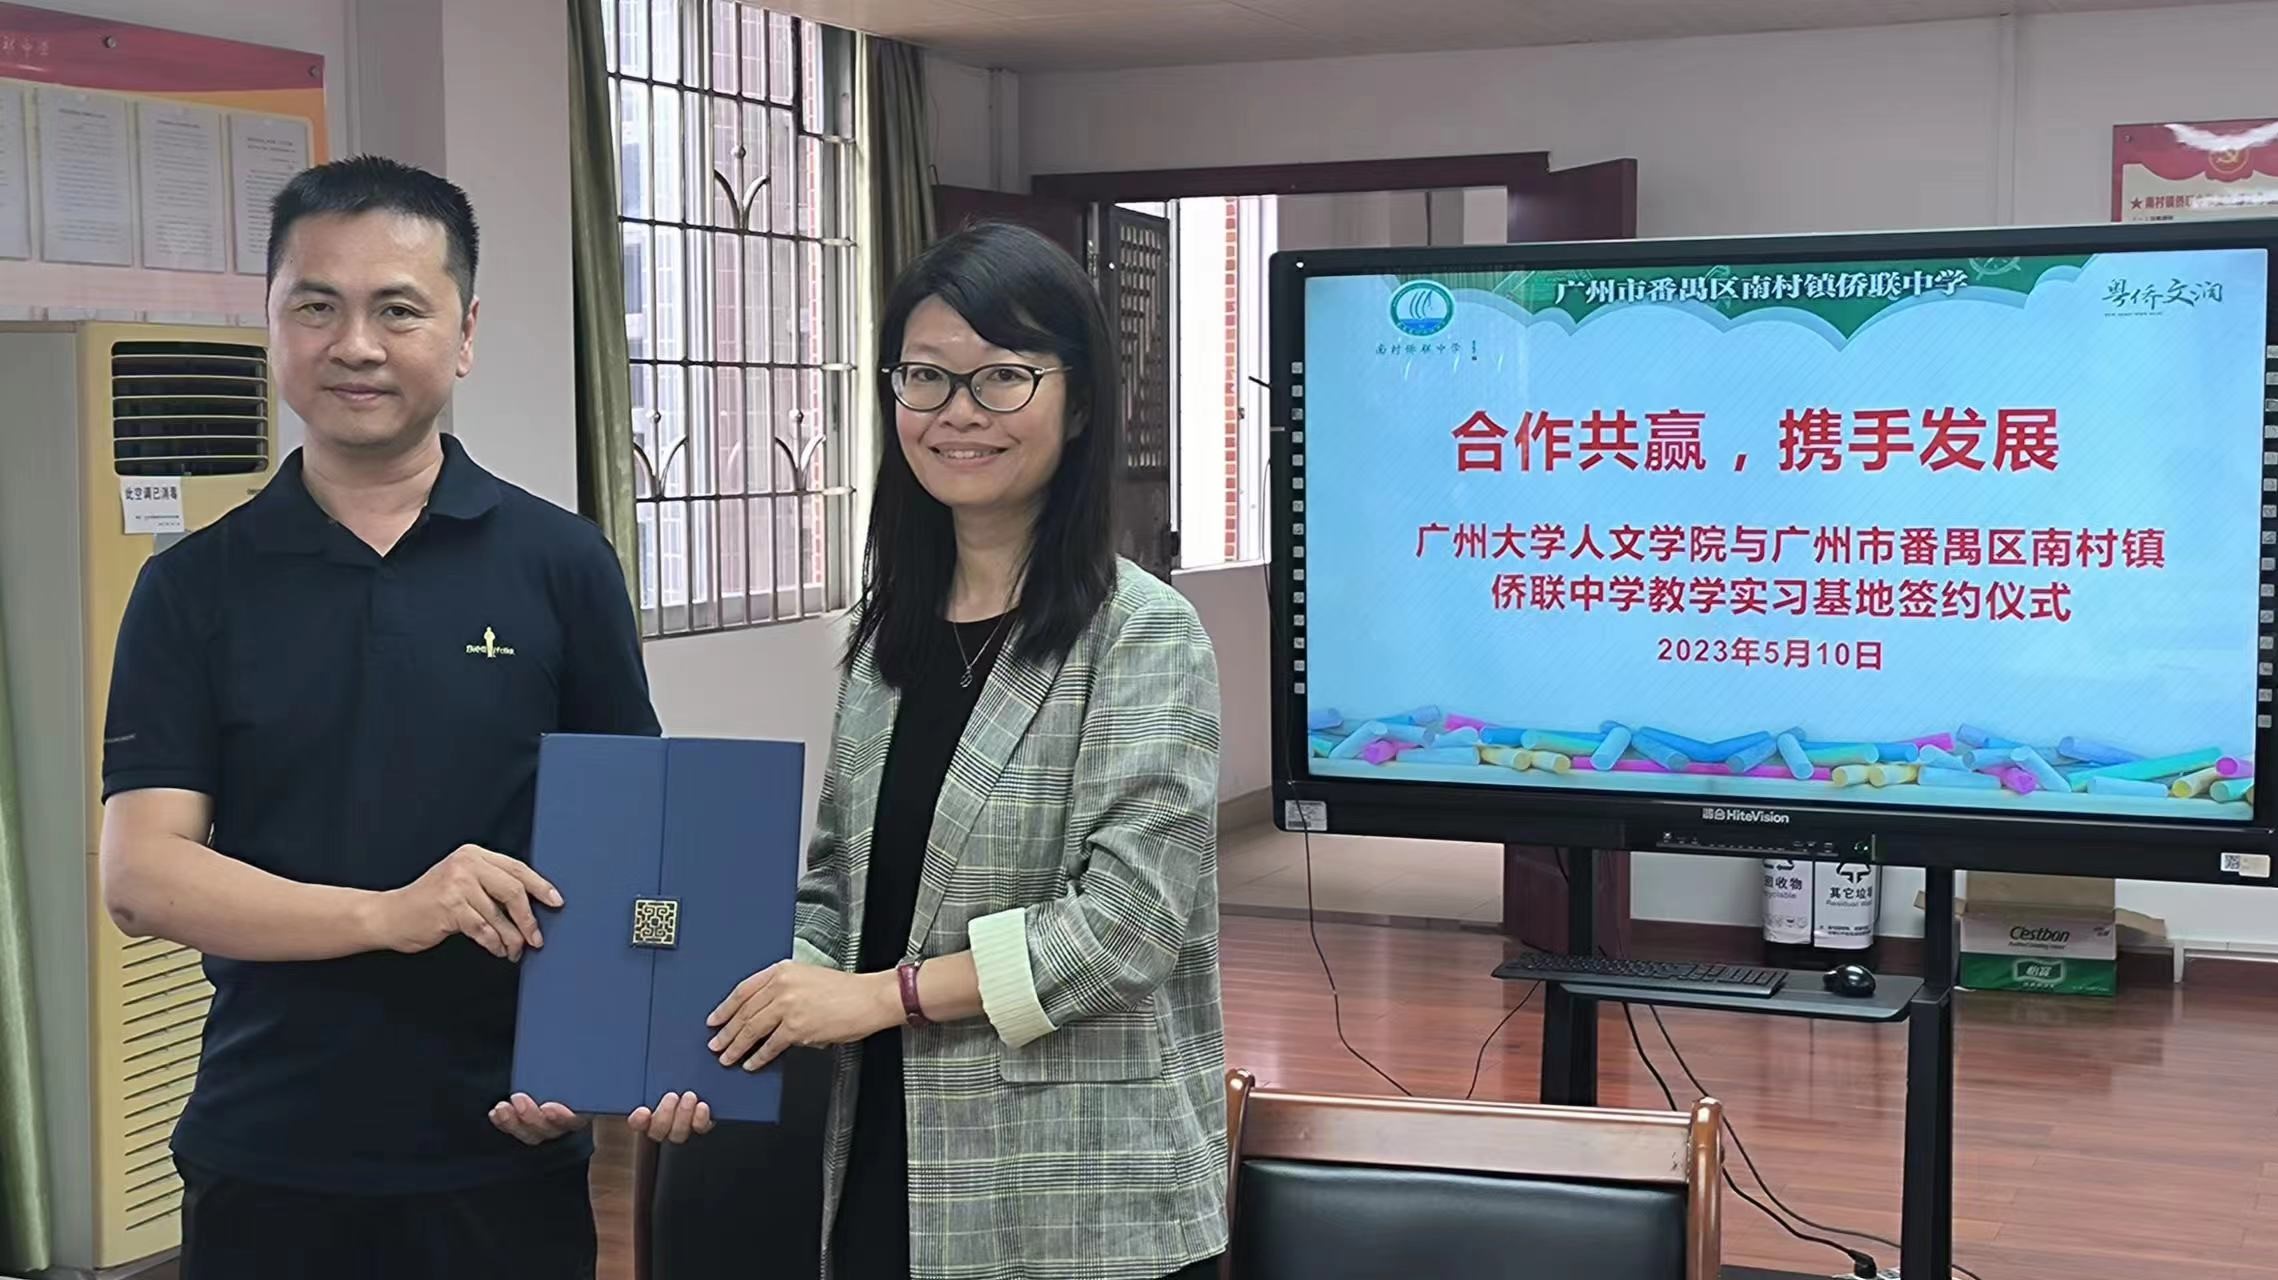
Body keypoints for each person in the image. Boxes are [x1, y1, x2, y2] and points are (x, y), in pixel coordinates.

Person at [97, 156, 668, 1280]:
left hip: (506, 1143)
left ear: (464, 333)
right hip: (270, 1145)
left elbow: (638, 842)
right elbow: (143, 876)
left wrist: (598, 1065)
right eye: (317, 306)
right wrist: (390, 913)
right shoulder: (192, 587)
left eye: (398, 309)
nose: (355, 344)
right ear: (272, 325)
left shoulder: (561, 563)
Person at [666, 221, 1228, 1279]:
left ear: (1079, 404)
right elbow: (838, 886)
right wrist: (719, 1019)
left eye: (1003, 376)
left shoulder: (1142, 632)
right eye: (925, 376)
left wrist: (883, 995)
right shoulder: (889, 636)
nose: (957, 412)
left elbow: (1129, 924)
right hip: (889, 1155)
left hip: (1079, 1194)